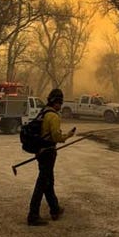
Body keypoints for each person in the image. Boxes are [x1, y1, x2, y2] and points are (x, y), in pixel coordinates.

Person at [28, 88, 76, 226]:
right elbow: (56, 136)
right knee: (42, 183)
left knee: (48, 181)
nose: (60, 106)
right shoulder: (53, 116)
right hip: (48, 153)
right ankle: (33, 215)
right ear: (57, 102)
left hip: (40, 152)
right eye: (60, 103)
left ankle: (55, 209)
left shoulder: (43, 112)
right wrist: (68, 135)